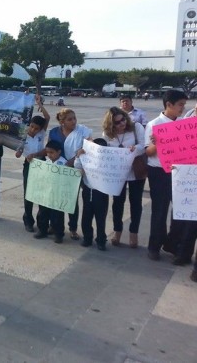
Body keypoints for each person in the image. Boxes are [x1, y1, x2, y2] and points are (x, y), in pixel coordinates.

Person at [144, 89, 188, 261]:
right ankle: (154, 246)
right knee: (160, 211)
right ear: (168, 104)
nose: (183, 109)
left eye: (184, 105)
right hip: (159, 172)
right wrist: (159, 143)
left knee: (179, 210)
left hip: (180, 171)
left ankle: (171, 243)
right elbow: (148, 152)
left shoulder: (185, 124)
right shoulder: (154, 124)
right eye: (180, 105)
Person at [102, 107, 146, 248]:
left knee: (136, 203)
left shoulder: (136, 127)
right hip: (118, 173)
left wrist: (136, 149)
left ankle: (134, 233)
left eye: (123, 119)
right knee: (117, 203)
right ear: (111, 125)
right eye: (117, 122)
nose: (122, 124)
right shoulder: (108, 134)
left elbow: (144, 145)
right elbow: (105, 150)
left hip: (135, 171)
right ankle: (117, 231)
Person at [48, 108, 93, 240]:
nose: (73, 121)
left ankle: (72, 228)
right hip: (59, 169)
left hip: (75, 169)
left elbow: (89, 146)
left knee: (72, 200)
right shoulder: (54, 132)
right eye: (69, 119)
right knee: (56, 199)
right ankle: (54, 225)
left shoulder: (82, 131)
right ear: (62, 121)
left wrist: (73, 160)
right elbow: (50, 148)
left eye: (74, 118)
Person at [15, 99, 50, 232]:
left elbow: (47, 117)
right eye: (32, 126)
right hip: (29, 165)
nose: (34, 130)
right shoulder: (23, 135)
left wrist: (40, 105)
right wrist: (19, 152)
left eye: (37, 128)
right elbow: (18, 151)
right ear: (29, 125)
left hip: (42, 163)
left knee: (41, 193)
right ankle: (28, 220)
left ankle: (42, 222)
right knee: (28, 193)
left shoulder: (41, 134)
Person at [75, 138, 110, 251]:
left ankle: (101, 240)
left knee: (101, 218)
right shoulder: (86, 157)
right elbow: (77, 166)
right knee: (86, 216)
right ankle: (87, 238)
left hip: (102, 192)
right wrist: (79, 156)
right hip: (88, 190)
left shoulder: (107, 161)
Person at [34, 140, 67, 243]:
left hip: (57, 194)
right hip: (46, 193)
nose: (49, 155)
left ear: (59, 152)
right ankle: (42, 230)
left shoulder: (63, 163)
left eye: (52, 152)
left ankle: (58, 234)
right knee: (43, 213)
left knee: (57, 215)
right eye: (47, 152)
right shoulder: (47, 162)